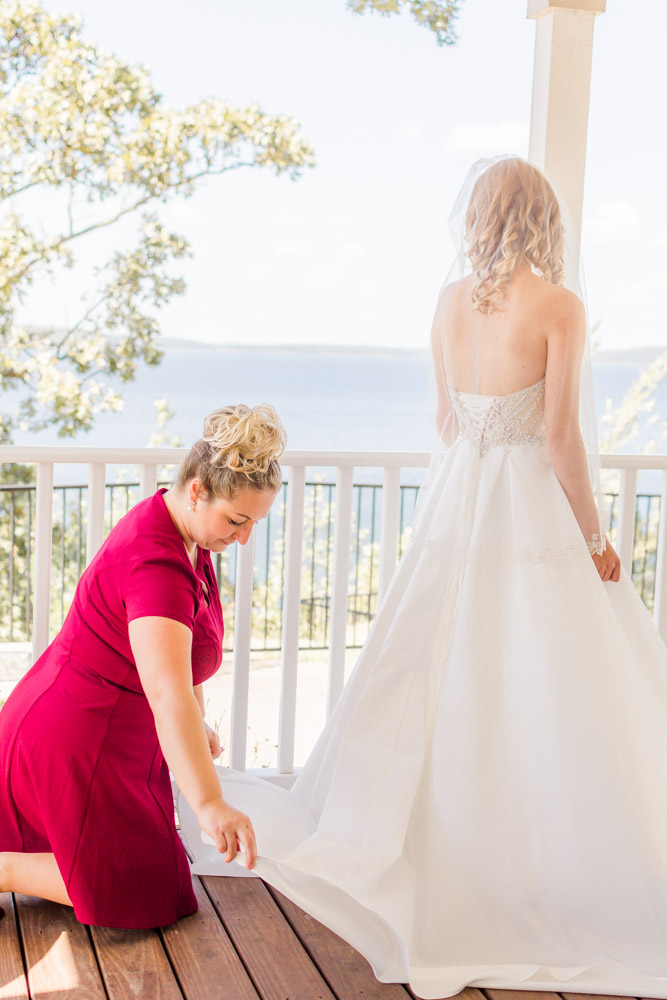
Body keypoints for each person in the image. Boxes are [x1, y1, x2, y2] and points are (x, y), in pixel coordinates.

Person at [180, 156, 667, 999]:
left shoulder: (448, 302)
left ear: (476, 216)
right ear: (542, 219)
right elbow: (560, 440)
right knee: (542, 675)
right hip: (525, 502)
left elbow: (446, 421)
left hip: (458, 502)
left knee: (437, 668)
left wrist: (477, 460)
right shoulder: (559, 306)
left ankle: (428, 837)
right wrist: (592, 536)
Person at [0, 402, 286, 928]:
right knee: (140, 891)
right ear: (197, 490)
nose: (244, 538)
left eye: (254, 523)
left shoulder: (187, 531)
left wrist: (199, 723)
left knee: (162, 887)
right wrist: (209, 804)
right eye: (237, 520)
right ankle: (3, 869)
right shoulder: (156, 563)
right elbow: (168, 693)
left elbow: (184, 658)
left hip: (113, 731)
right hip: (73, 733)